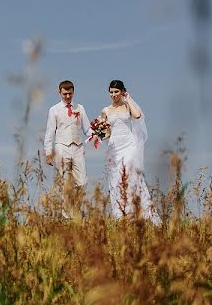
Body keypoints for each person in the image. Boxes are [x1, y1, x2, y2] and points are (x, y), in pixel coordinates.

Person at [99, 79, 158, 222]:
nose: (113, 95)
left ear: (122, 92)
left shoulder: (127, 107)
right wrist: (98, 134)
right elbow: (107, 133)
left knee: (131, 175)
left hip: (129, 145)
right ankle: (121, 214)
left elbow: (138, 116)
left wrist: (129, 99)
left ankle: (139, 212)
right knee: (116, 179)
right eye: (111, 92)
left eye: (116, 92)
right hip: (114, 147)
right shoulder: (105, 111)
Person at [43, 80, 92, 215]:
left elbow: (87, 129)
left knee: (81, 182)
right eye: (65, 94)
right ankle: (66, 216)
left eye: (70, 94)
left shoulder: (80, 108)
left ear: (73, 92)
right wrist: (48, 152)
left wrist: (98, 134)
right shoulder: (54, 110)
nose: (68, 97)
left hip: (78, 147)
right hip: (61, 148)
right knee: (65, 182)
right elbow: (49, 132)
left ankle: (77, 211)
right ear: (60, 93)